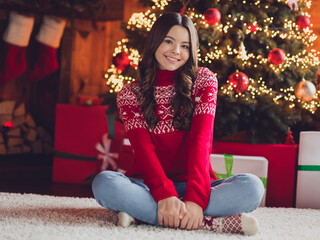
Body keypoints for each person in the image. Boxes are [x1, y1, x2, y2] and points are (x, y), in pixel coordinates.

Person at [92, 12, 264, 235]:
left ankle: (144, 215)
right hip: (148, 185)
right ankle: (209, 222)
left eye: (185, 46)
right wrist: (164, 194)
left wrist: (195, 199)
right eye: (169, 41)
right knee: (104, 183)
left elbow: (201, 142)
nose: (176, 51)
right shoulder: (130, 94)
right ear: (155, 41)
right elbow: (143, 150)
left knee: (252, 188)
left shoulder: (204, 80)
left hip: (196, 183)